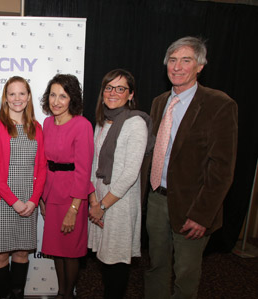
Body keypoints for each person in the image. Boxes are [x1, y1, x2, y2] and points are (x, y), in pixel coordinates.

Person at [143, 36, 238, 299]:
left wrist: (202, 215)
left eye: (186, 60)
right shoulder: (159, 102)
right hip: (156, 199)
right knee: (155, 266)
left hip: (193, 206)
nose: (177, 67)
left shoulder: (219, 104)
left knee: (185, 272)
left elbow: (222, 168)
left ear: (200, 66)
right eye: (172, 60)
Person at [87, 69, 154, 298]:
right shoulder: (102, 122)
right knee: (105, 263)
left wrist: (102, 206)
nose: (113, 93)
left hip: (119, 204)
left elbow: (130, 174)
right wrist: (93, 199)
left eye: (120, 88)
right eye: (109, 87)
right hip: (99, 200)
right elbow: (93, 164)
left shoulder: (135, 123)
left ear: (131, 94)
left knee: (116, 265)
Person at [0, 76, 46, 299]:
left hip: (28, 203)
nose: (17, 98)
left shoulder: (36, 128)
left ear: (28, 97)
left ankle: (17, 295)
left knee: (21, 253)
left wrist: (33, 200)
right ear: (5, 99)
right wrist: (15, 202)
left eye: (22, 93)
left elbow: (43, 167)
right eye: (12, 94)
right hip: (1, 202)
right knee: (0, 256)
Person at [40, 74, 94, 299]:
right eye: (53, 95)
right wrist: (43, 197)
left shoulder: (82, 125)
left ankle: (67, 295)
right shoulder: (47, 123)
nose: (56, 101)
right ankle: (62, 293)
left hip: (73, 197)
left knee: (70, 252)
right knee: (57, 250)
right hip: (51, 193)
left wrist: (74, 209)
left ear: (72, 99)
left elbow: (83, 171)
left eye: (63, 96)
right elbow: (44, 163)